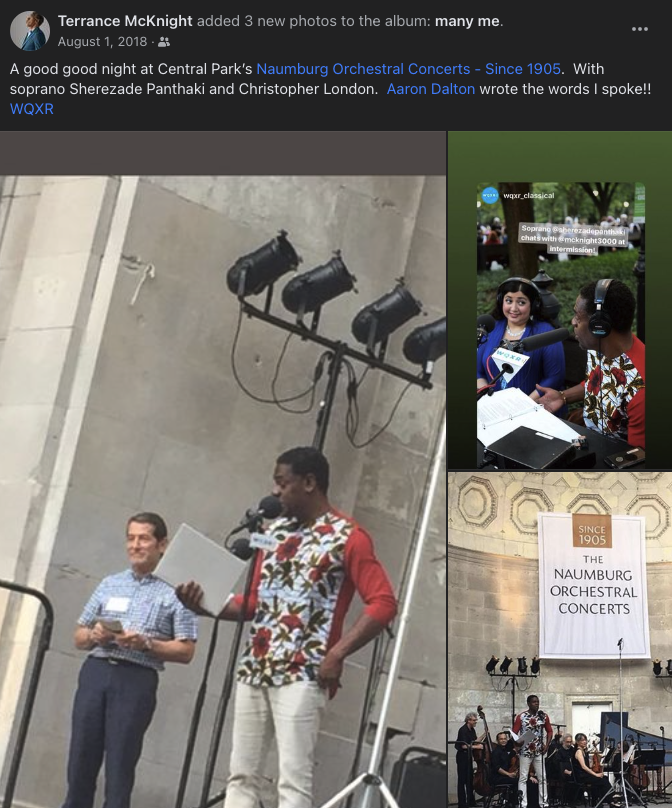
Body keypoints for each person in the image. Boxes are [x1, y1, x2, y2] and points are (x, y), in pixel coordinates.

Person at [177, 446, 397, 808]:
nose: (275, 491)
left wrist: (337, 653)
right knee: (241, 776)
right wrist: (205, 605)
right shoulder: (273, 532)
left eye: (282, 483)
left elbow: (384, 602)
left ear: (309, 482)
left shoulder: (349, 536)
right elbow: (253, 603)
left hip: (304, 672)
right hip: (256, 665)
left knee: (292, 782)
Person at [60, 512, 198, 808]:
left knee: (120, 763)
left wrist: (146, 643)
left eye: (143, 538)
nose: (135, 545)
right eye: (131, 538)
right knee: (80, 757)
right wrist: (94, 634)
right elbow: (78, 636)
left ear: (162, 544)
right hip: (96, 672)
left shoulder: (178, 592)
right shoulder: (111, 583)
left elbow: (186, 650)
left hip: (135, 678)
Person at [536, 279, 645, 448]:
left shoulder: (640, 389)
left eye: (578, 317)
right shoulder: (599, 347)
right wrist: (563, 396)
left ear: (599, 326)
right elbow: (602, 381)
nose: (573, 322)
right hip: (588, 439)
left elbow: (638, 458)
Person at [477, 277, 565, 398]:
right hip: (492, 403)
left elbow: (554, 378)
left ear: (533, 305)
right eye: (509, 301)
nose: (513, 308)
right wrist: (487, 397)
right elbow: (478, 371)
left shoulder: (546, 333)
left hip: (533, 403)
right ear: (501, 301)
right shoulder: (491, 328)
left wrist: (526, 403)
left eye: (521, 302)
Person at [513, 694, 553, 808]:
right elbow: (514, 732)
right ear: (528, 703)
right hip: (525, 751)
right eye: (534, 702)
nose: (536, 703)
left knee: (542, 777)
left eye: (537, 701)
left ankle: (543, 803)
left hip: (539, 751)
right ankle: (522, 804)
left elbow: (550, 731)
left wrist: (547, 745)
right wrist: (518, 742)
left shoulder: (543, 716)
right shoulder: (521, 717)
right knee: (523, 777)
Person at [574, 733, 612, 806]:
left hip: (585, 775)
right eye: (582, 740)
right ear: (577, 742)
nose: (585, 742)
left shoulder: (584, 751)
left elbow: (588, 765)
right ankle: (611, 801)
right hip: (581, 776)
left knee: (604, 778)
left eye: (585, 740)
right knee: (603, 781)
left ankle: (597, 802)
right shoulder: (579, 752)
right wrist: (596, 774)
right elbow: (583, 767)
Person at [456, 712, 484, 808]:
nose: (476, 721)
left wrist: (484, 734)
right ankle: (462, 804)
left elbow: (474, 741)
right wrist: (477, 747)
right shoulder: (463, 730)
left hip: (468, 757)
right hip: (462, 757)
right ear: (468, 720)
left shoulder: (472, 730)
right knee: (462, 780)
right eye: (474, 720)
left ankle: (471, 802)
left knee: (469, 780)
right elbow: (463, 746)